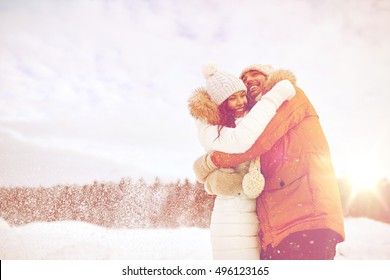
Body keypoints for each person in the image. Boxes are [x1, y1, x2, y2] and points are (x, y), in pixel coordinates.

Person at [194, 64, 345, 260]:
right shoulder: (256, 117)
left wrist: (209, 163)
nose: (249, 80)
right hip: (277, 228)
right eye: (244, 80)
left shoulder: (289, 95)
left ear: (270, 75)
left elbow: (255, 143)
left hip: (306, 217)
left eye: (255, 74)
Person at [188, 64, 296, 259]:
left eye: (242, 95)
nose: (240, 102)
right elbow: (241, 141)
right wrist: (273, 97)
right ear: (221, 103)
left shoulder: (245, 118)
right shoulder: (211, 129)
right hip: (229, 213)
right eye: (232, 98)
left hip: (254, 212)